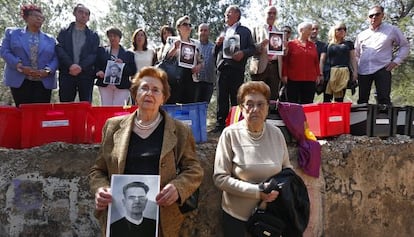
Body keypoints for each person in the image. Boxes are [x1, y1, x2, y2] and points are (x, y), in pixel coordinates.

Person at [89, 66, 203, 237]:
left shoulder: (180, 131)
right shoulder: (112, 127)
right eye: (144, 88)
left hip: (163, 217)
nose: (149, 93)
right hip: (119, 219)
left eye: (156, 90)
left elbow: (194, 169)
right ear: (135, 94)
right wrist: (101, 189)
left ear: (163, 98)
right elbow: (98, 170)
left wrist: (178, 187)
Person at [213, 81, 293, 236]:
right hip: (236, 218)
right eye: (249, 104)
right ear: (242, 108)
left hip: (270, 218)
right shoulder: (230, 135)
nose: (255, 109)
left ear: (267, 108)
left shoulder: (276, 134)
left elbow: (287, 170)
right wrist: (257, 192)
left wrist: (279, 188)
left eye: (260, 104)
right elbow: (220, 178)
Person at [0, 4, 58, 107]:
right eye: (36, 16)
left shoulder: (50, 39)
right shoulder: (12, 33)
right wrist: (19, 65)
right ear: (26, 17)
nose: (39, 19)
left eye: (41, 17)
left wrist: (48, 71)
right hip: (20, 80)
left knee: (40, 114)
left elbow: (56, 58)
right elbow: (4, 50)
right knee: (23, 112)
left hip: (43, 82)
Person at [211, 5, 255, 133]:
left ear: (237, 14)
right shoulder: (223, 31)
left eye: (229, 12)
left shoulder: (245, 31)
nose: (226, 15)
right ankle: (220, 125)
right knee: (221, 97)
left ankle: (237, 124)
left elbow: (252, 48)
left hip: (236, 68)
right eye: (225, 13)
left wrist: (242, 53)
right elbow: (215, 53)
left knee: (236, 97)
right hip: (222, 68)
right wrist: (217, 44)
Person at [355, 5, 410, 105]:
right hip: (363, 70)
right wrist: (356, 69)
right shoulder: (361, 35)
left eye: (377, 14)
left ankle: (384, 120)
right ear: (368, 18)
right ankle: (363, 121)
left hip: (382, 68)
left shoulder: (392, 30)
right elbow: (356, 54)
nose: (374, 17)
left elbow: (405, 46)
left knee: (384, 100)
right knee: (362, 101)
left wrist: (396, 62)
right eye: (371, 15)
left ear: (383, 15)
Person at [56, 3, 99, 103]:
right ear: (74, 13)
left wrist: (80, 67)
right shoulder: (64, 32)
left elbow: (93, 54)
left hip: (86, 75)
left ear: (88, 18)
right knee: (66, 105)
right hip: (67, 73)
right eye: (81, 12)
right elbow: (59, 49)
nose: (83, 15)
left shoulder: (93, 35)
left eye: (86, 14)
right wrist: (70, 65)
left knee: (86, 105)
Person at [162, 15, 203, 104]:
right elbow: (165, 58)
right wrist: (174, 48)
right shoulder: (171, 40)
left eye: (189, 25)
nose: (188, 27)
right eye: (185, 24)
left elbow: (201, 60)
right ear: (178, 27)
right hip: (174, 77)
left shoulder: (196, 43)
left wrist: (198, 67)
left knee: (189, 106)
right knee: (171, 104)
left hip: (190, 77)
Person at [95, 27, 137, 106]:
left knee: (118, 109)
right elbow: (96, 65)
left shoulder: (129, 54)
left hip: (122, 87)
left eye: (115, 36)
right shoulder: (101, 51)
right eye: (110, 36)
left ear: (119, 38)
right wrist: (98, 71)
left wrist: (122, 65)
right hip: (105, 86)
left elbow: (132, 71)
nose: (112, 38)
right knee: (106, 108)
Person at [282, 22, 321, 104]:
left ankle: (306, 117)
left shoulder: (313, 45)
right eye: (309, 29)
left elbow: (316, 61)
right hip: (293, 79)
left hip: (310, 80)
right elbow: (285, 61)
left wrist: (318, 75)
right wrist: (284, 74)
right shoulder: (291, 44)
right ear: (301, 30)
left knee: (307, 103)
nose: (311, 31)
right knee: (293, 103)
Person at [250, 5, 283, 101]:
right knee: (257, 94)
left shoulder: (279, 31)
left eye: (274, 13)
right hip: (260, 66)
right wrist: (260, 45)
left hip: (275, 67)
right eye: (269, 13)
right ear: (264, 14)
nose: (272, 15)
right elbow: (250, 48)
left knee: (272, 96)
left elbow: (282, 53)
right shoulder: (256, 29)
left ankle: (271, 116)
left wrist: (285, 49)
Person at [320, 23, 358, 102]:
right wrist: (320, 73)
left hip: (343, 73)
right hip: (329, 73)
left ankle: (338, 114)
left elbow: (353, 59)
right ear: (334, 31)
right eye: (339, 29)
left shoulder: (349, 44)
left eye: (344, 29)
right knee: (327, 98)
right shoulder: (327, 45)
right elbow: (322, 60)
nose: (342, 31)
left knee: (339, 99)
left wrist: (355, 72)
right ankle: (326, 114)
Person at [194, 23, 216, 103]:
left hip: (208, 83)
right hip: (194, 83)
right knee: (193, 107)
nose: (203, 32)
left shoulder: (214, 48)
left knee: (204, 108)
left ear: (209, 32)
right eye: (201, 30)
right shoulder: (193, 46)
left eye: (205, 30)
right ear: (198, 32)